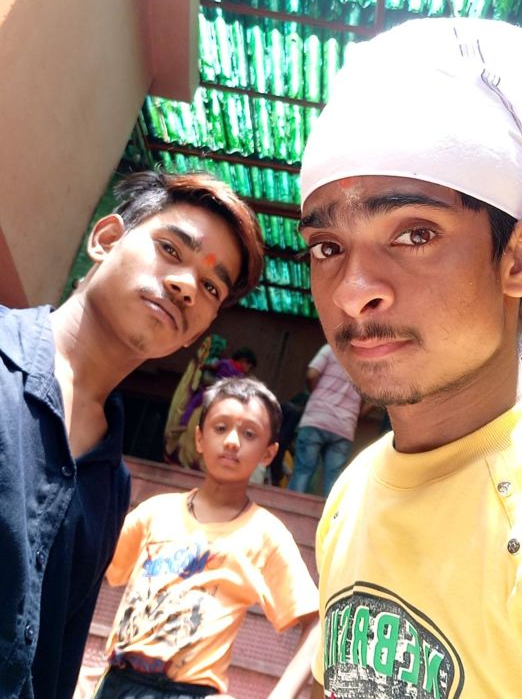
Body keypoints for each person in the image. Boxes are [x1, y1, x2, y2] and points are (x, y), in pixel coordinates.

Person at [298, 18, 522, 698]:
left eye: (415, 233)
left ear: (521, 258)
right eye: (328, 247)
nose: (353, 290)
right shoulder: (350, 495)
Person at [0, 169, 263, 699]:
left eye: (210, 287)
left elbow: (57, 653)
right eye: (170, 249)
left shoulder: (112, 484)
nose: (185, 286)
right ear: (106, 239)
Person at [94, 377, 319, 699]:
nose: (232, 442)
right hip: (117, 683)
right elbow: (93, 567)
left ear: (269, 453)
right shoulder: (155, 512)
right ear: (199, 438)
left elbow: (316, 623)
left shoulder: (266, 535)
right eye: (220, 428)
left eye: (249, 434)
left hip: (190, 691)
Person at [288, 343, 366, 496]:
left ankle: (290, 510)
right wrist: (357, 414)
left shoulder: (330, 349)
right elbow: (375, 399)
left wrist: (315, 394)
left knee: (303, 471)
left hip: (317, 417)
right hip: (344, 427)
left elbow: (311, 374)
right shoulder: (367, 362)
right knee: (334, 479)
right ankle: (329, 512)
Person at [164, 346, 258, 471]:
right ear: (243, 360)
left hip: (224, 404)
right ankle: (183, 423)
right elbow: (209, 372)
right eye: (249, 365)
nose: (248, 369)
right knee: (193, 405)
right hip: (208, 396)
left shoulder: (242, 377)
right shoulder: (226, 364)